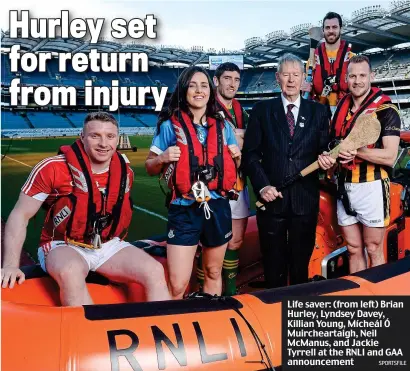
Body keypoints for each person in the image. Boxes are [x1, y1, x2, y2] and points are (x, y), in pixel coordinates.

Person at [1, 112, 171, 305]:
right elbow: (20, 215)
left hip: (107, 245)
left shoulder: (125, 173)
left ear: (118, 139)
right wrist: (10, 265)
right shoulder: (52, 168)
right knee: (71, 272)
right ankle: (88, 334)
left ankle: (159, 332)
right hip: (63, 244)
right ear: (82, 137)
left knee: (154, 270)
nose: (103, 143)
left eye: (110, 136)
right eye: (95, 135)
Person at [145, 66, 241, 300]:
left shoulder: (224, 126)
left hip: (218, 206)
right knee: (177, 284)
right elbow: (150, 167)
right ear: (184, 90)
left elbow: (232, 169)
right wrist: (162, 158)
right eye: (193, 85)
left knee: (213, 270)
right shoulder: (170, 126)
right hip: (184, 208)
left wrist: (238, 158)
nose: (199, 90)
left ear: (211, 89)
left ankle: (212, 322)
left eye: (204, 85)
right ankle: (174, 327)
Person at [242, 53, 335, 288]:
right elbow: (250, 154)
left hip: (305, 200)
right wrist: (262, 186)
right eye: (286, 74)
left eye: (296, 75)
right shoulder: (261, 111)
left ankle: (297, 313)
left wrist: (327, 159)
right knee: (273, 267)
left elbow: (325, 149)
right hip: (271, 200)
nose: (291, 80)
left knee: (300, 266)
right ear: (277, 78)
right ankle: (273, 316)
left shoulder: (319, 112)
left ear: (304, 78)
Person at [330, 55, 401, 273]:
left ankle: (377, 301)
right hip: (343, 185)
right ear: (346, 78)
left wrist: (357, 152)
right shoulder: (341, 106)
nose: (357, 80)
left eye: (362, 75)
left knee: (373, 248)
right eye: (352, 76)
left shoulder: (386, 109)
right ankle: (359, 299)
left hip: (372, 187)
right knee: (353, 248)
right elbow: (334, 142)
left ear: (371, 76)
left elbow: (390, 156)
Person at [196, 62, 250, 296]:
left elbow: (252, 142)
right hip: (211, 186)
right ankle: (201, 290)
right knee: (208, 243)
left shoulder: (242, 110)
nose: (232, 84)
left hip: (238, 183)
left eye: (236, 80)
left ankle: (229, 291)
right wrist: (237, 138)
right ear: (216, 81)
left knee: (235, 241)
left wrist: (237, 138)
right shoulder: (205, 108)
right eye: (227, 78)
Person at [302, 12, 354, 115]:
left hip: (347, 116)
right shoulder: (312, 60)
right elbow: (308, 93)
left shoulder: (352, 59)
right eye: (327, 27)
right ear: (323, 31)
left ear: (341, 29)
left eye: (334, 27)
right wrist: (304, 88)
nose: (331, 31)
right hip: (320, 117)